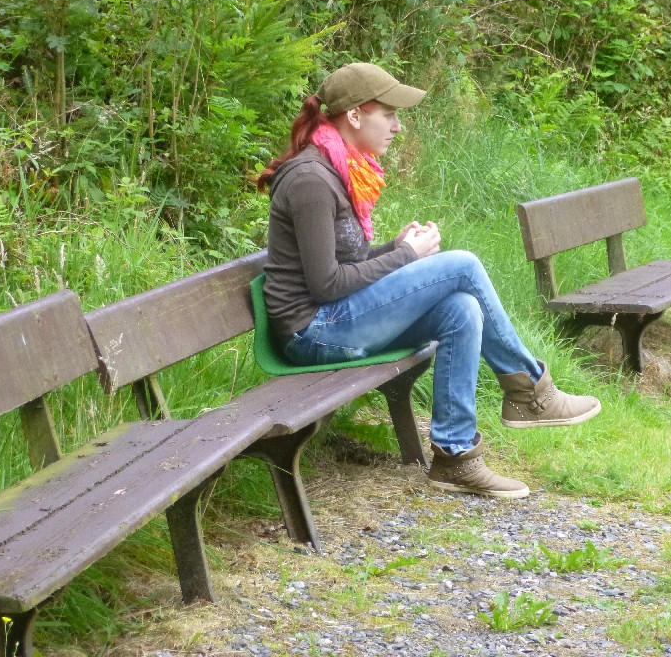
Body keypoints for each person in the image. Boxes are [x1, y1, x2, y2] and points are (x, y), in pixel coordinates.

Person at [256, 62, 601, 499]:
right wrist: (406, 256)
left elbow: (343, 264)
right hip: (314, 333)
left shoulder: (338, 168)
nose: (398, 127)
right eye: (389, 115)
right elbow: (326, 284)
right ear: (355, 115)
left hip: (336, 319)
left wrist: (393, 247)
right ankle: (532, 394)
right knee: (463, 265)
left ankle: (455, 457)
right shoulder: (311, 179)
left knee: (462, 309)